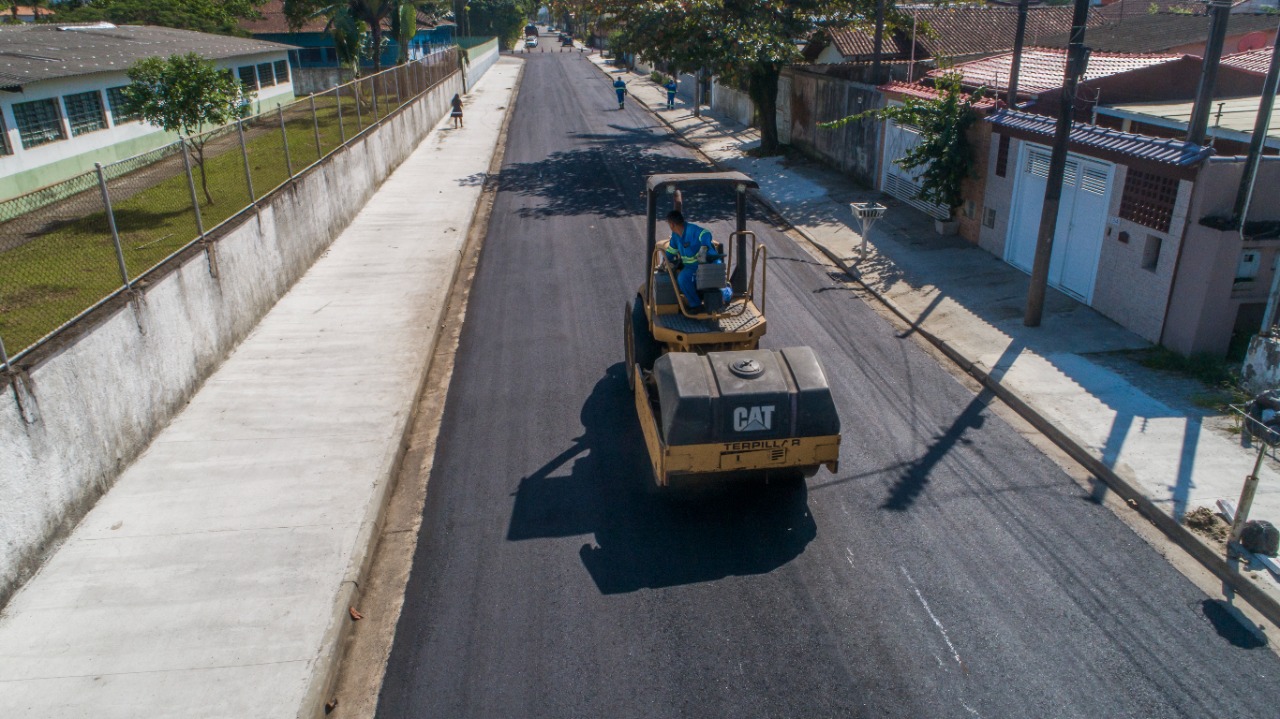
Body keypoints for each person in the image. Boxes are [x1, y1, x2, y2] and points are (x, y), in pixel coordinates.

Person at [663, 190, 723, 310]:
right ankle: (695, 305)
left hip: (708, 264)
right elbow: (671, 251)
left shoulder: (692, 230)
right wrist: (663, 262)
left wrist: (704, 248)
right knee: (682, 278)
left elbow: (705, 233)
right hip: (692, 267)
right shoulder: (675, 237)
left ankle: (725, 294)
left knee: (718, 286)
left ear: (672, 224)